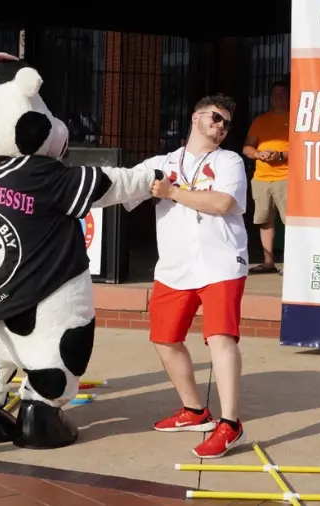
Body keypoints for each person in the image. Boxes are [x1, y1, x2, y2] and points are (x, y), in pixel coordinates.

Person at [126, 94, 249, 459]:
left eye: (226, 123)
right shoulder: (161, 163)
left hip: (221, 262)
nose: (220, 126)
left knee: (220, 337)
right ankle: (195, 411)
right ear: (195, 117)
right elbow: (124, 188)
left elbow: (222, 203)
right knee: (165, 339)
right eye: (215, 118)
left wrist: (172, 192)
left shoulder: (230, 161)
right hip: (175, 266)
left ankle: (231, 423)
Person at [243, 80, 290, 275]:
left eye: (283, 94)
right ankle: (268, 262)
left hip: (287, 177)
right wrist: (258, 154)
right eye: (275, 95)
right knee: (264, 220)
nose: (278, 98)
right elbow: (247, 147)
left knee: (291, 222)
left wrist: (280, 156)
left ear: (289, 96)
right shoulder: (260, 121)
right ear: (270, 98)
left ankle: (292, 262)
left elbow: (306, 149)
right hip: (261, 177)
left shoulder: (296, 119)